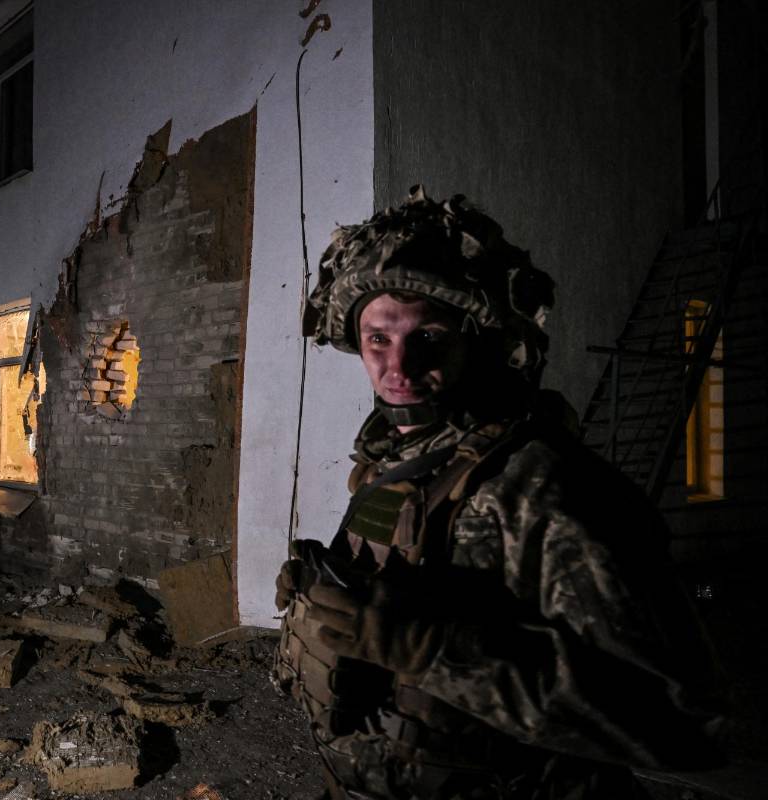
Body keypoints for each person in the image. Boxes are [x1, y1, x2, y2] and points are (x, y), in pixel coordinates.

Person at [272, 187, 727, 799]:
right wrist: (319, 599)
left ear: (476, 340)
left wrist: (435, 649)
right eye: (379, 339)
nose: (398, 368)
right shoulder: (398, 462)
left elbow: (677, 721)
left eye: (427, 338)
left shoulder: (544, 484)